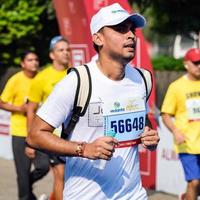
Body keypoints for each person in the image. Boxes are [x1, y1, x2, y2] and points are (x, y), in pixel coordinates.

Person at [27, 3, 159, 200]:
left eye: (132, 29)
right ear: (98, 38)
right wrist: (84, 149)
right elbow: (35, 135)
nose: (131, 35)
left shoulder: (143, 79)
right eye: (120, 29)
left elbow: (143, 121)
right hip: (85, 195)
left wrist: (149, 136)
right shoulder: (77, 81)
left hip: (133, 194)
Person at [25, 36, 71, 200]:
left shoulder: (76, 73)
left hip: (73, 134)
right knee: (61, 174)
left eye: (67, 49)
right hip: (52, 135)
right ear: (52, 55)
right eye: (61, 50)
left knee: (70, 178)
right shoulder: (41, 78)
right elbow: (31, 110)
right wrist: (30, 140)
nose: (66, 53)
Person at [0, 51, 49, 200]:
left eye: (36, 59)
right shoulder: (16, 80)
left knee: (43, 166)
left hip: (39, 131)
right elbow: (1, 102)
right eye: (30, 60)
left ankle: (27, 187)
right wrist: (19, 108)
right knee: (22, 172)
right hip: (20, 132)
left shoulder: (42, 79)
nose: (34, 62)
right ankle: (26, 194)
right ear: (22, 64)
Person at [161, 48, 200, 200]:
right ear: (186, 64)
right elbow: (165, 115)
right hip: (187, 142)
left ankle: (186, 197)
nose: (199, 66)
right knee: (195, 182)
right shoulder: (176, 87)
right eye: (196, 63)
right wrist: (176, 131)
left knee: (196, 185)